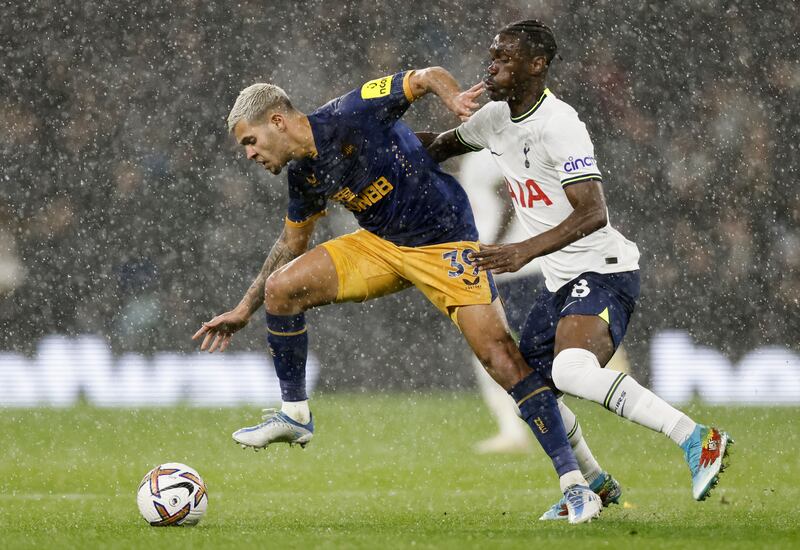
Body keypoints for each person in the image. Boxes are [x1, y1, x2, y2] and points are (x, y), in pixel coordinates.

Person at [193, 67, 602, 523]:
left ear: (277, 121)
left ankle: (577, 484)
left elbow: (425, 77)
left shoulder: (351, 113)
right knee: (281, 289)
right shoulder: (304, 175)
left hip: (445, 243)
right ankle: (295, 414)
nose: (249, 154)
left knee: (502, 361)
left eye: (250, 141)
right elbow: (292, 243)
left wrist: (454, 101)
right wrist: (243, 309)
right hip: (381, 246)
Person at [422, 20, 732, 519]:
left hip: (603, 269)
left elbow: (593, 212)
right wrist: (371, 143)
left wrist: (523, 251)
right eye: (492, 55)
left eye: (505, 57)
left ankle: (697, 437)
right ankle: (595, 484)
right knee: (527, 387)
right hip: (560, 279)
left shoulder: (559, 123)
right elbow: (436, 146)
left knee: (570, 369)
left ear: (537, 65)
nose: (492, 65)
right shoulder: (495, 119)